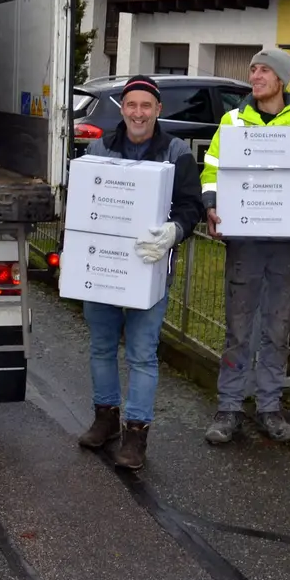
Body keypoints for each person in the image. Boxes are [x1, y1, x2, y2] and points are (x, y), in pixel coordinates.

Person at [199, 49, 290, 445]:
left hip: (286, 243)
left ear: (282, 79)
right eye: (253, 69)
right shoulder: (233, 120)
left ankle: (270, 407)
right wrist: (212, 204)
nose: (255, 76)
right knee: (239, 328)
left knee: (278, 326)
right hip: (245, 242)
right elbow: (212, 168)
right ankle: (229, 408)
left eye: (263, 70)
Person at [75, 76, 204, 470]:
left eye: (146, 106)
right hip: (103, 267)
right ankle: (106, 418)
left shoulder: (175, 151)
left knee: (142, 354)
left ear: (158, 110)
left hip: (149, 267)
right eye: (131, 105)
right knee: (100, 346)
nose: (138, 113)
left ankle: (135, 434)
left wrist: (173, 232)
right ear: (122, 109)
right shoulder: (101, 147)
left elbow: (190, 206)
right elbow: (82, 199)